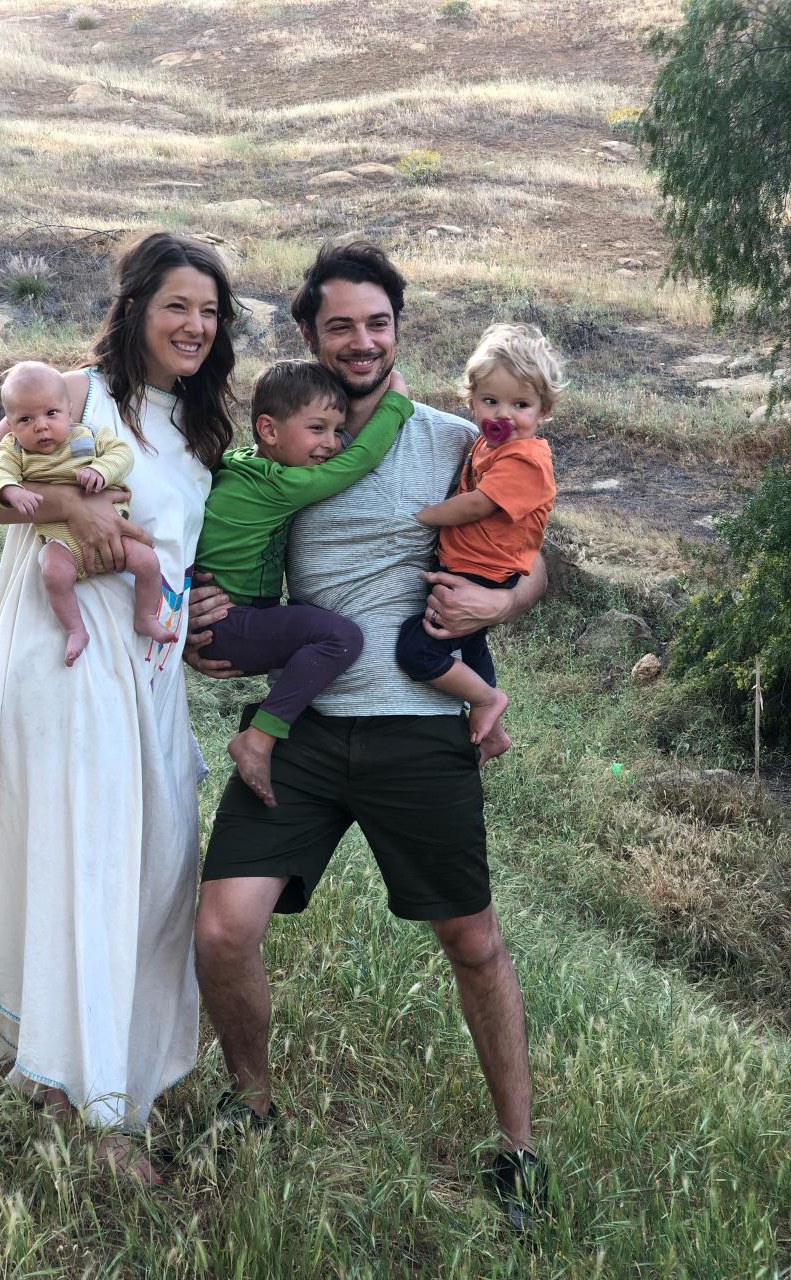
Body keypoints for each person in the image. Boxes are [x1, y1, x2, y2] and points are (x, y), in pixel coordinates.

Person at [187, 242, 549, 1226]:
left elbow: (531, 559)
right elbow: (232, 558)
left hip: (421, 731)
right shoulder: (289, 443)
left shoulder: (456, 439)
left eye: (377, 322)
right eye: (340, 324)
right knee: (221, 928)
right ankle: (252, 1100)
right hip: (303, 730)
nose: (361, 340)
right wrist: (209, 626)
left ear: (400, 327)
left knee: (472, 941)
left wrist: (499, 601)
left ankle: (519, 1152)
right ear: (312, 334)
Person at [0, 230, 238, 1182]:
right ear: (137, 308)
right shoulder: (74, 391)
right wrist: (66, 509)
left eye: (210, 311)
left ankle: (82, 1068)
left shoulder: (197, 430)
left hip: (147, 676)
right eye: (177, 304)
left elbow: (177, 547)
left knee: (151, 870)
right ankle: (100, 1115)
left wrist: (206, 599)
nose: (194, 324)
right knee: (92, 864)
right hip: (64, 662)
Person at [195, 358, 413, 805]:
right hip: (229, 622)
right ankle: (259, 738)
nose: (332, 444)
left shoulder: (237, 463)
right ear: (269, 431)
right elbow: (361, 460)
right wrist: (395, 404)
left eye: (338, 430)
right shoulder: (280, 484)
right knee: (341, 638)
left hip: (225, 618)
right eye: (318, 429)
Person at [395, 323, 560, 749]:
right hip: (470, 565)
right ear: (471, 402)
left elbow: (476, 504)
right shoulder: (488, 444)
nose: (503, 415)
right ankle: (494, 733)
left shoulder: (525, 459)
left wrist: (423, 517)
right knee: (472, 645)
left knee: (420, 650)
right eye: (490, 401)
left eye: (520, 404)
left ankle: (487, 699)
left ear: (543, 410)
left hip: (482, 574)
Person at [0, 360, 175, 666]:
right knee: (52, 571)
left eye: (51, 413)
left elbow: (122, 455)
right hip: (63, 542)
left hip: (112, 533)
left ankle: (145, 616)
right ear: (9, 426)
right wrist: (12, 491)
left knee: (148, 561)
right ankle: (75, 628)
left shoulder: (88, 434)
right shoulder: (15, 451)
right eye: (25, 419)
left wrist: (100, 469)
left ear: (69, 408)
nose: (41, 426)